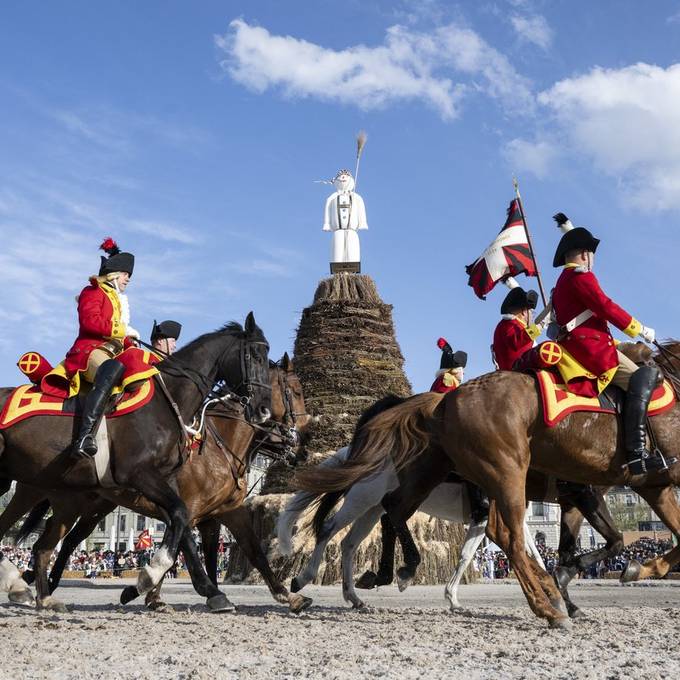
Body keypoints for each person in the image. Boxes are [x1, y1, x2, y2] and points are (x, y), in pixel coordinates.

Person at [551, 212, 676, 474]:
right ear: (585, 254)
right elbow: (605, 307)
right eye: (591, 254)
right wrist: (640, 329)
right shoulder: (581, 277)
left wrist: (617, 342)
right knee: (644, 377)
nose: (593, 259)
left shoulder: (563, 281)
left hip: (582, 344)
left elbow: (588, 320)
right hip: (591, 352)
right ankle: (637, 453)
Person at [41, 238, 158, 457]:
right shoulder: (92, 292)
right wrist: (123, 330)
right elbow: (90, 322)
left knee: (140, 366)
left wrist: (130, 342)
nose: (128, 280)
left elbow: (119, 338)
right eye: (126, 275)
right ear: (115, 274)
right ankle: (85, 436)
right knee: (112, 370)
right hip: (89, 352)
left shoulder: (116, 300)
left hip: (111, 352)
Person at [430, 338, 488, 521]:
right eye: (462, 369)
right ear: (455, 370)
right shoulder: (447, 382)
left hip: (444, 429)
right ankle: (477, 507)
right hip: (443, 431)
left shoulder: (447, 381)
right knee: (470, 463)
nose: (464, 373)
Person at [492, 284, 544, 370]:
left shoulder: (506, 324)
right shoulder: (510, 324)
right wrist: (540, 326)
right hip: (518, 372)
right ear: (524, 311)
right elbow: (515, 341)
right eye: (532, 313)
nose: (532, 316)